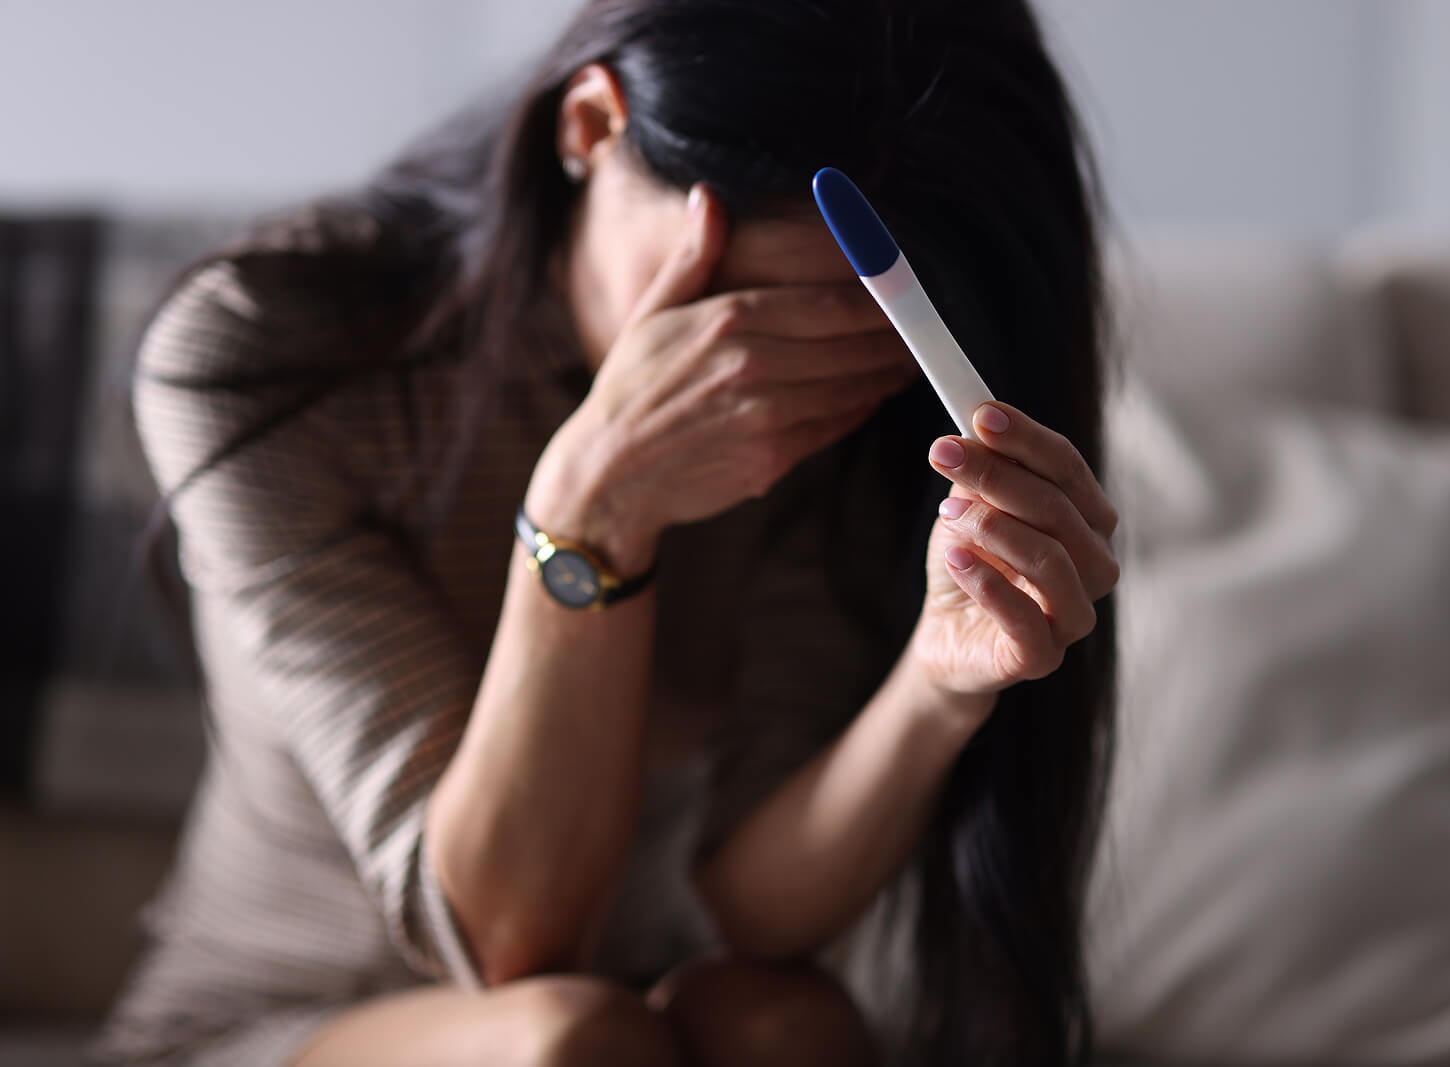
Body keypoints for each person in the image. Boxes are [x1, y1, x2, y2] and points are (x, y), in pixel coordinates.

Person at [97, 1, 1119, 1064]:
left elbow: (751, 914)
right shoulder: (270, 356)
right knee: (572, 1041)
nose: (774, 386)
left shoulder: (864, 408)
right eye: (743, 312)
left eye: (849, 338)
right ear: (589, 125)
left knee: (785, 1026)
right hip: (290, 1017)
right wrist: (590, 511)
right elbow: (507, 939)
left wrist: (939, 684)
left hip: (648, 1012)